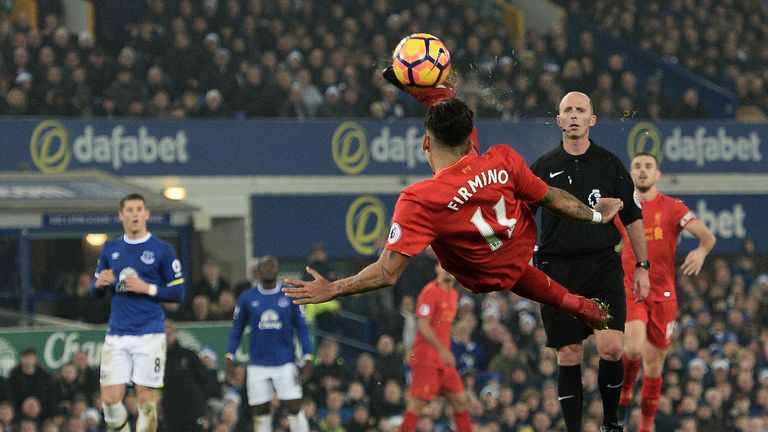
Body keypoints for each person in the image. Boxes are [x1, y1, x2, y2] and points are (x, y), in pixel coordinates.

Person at [284, 98, 622, 337]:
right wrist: (595, 215)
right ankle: (580, 305)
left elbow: (387, 274)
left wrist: (334, 288)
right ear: (469, 138)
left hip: (481, 273)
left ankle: (577, 304)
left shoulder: (419, 200)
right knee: (517, 268)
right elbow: (553, 199)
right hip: (517, 247)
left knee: (502, 268)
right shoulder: (502, 158)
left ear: (424, 143)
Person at [529, 91, 650, 432]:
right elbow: (522, 216)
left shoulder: (610, 164)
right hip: (557, 270)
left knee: (612, 347)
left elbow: (633, 219)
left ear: (592, 120)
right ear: (559, 120)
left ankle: (611, 422)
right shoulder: (543, 167)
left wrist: (643, 267)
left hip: (602, 267)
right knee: (568, 353)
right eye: (567, 110)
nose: (574, 115)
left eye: (581, 110)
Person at [616, 152, 716, 432]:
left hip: (664, 296)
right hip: (632, 288)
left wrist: (700, 251)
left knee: (654, 366)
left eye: (649, 166)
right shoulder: (622, 208)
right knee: (633, 347)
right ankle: (624, 397)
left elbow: (708, 237)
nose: (643, 171)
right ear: (631, 174)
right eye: (637, 166)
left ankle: (646, 426)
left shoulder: (673, 207)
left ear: (658, 174)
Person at [90, 193, 186, 432]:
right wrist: (99, 284)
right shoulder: (110, 249)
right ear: (121, 215)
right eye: (129, 210)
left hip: (149, 334)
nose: (134, 214)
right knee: (110, 401)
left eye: (139, 209)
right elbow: (96, 292)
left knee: (146, 401)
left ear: (146, 214)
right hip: (117, 334)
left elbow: (178, 293)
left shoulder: (162, 250)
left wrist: (148, 288)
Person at [224, 255, 314, 432]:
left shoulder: (289, 295)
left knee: (294, 406)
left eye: (272, 266)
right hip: (258, 364)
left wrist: (308, 357)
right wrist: (228, 356)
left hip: (285, 362)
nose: (269, 270)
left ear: (278, 270)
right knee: (260, 412)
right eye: (265, 267)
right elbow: (237, 331)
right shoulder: (247, 298)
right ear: (258, 271)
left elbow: (302, 329)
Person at [400, 263, 472, 432]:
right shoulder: (430, 291)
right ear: (437, 268)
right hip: (426, 358)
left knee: (461, 401)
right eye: (444, 264)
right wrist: (442, 350)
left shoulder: (453, 294)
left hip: (443, 360)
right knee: (416, 405)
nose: (447, 268)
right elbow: (423, 326)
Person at [163, 320, 219, 432]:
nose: (166, 338)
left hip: (193, 412)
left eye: (169, 334)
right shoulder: (158, 359)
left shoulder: (189, 355)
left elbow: (205, 381)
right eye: (163, 335)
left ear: (175, 334)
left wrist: (204, 411)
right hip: (171, 415)